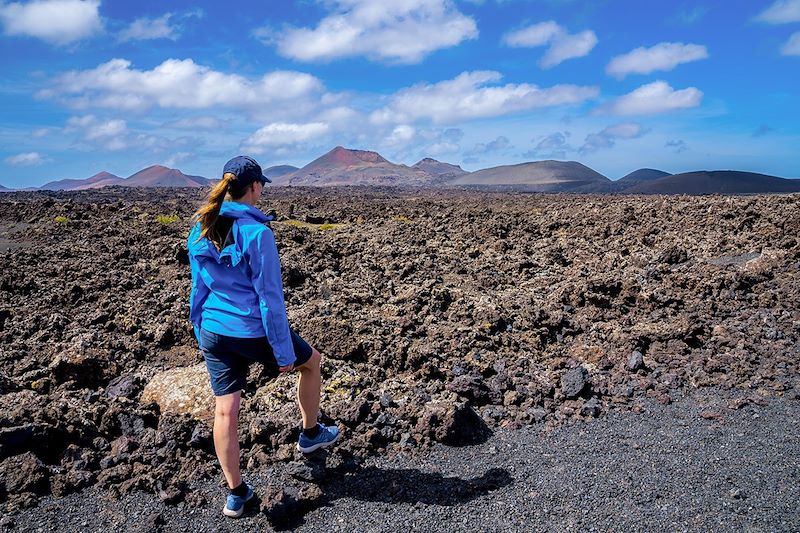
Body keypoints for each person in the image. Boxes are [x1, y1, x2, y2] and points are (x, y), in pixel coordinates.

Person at [187, 155, 339, 518]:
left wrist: (200, 328)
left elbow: (198, 287)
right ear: (254, 187)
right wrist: (283, 352)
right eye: (261, 186)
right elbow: (269, 300)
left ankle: (236, 494)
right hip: (253, 331)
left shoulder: (202, 228)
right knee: (312, 363)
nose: (262, 191)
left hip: (213, 331)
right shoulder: (257, 233)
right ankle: (310, 433)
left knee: (226, 410)